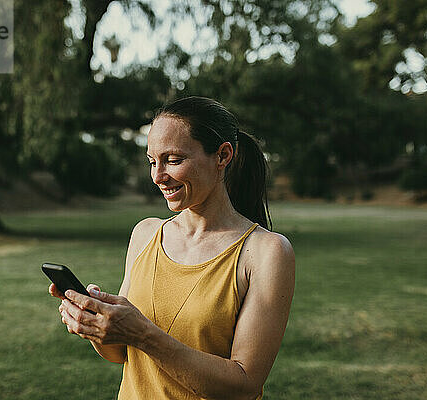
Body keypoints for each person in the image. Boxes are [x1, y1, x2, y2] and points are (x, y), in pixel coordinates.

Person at [49, 96, 295, 400]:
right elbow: (120, 353)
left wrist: (143, 333)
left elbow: (244, 386)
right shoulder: (145, 233)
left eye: (173, 160)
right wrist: (94, 324)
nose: (157, 176)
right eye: (152, 161)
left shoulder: (265, 252)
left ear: (222, 155)